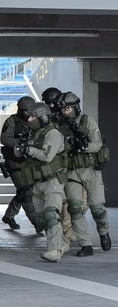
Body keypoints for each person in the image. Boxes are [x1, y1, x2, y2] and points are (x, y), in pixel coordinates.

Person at [55, 91, 111, 256]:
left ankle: (103, 231)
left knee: (97, 209)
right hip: (72, 172)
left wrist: (83, 147)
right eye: (63, 109)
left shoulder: (87, 121)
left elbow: (97, 145)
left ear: (75, 108)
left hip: (90, 170)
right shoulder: (59, 126)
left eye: (68, 109)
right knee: (74, 209)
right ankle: (85, 244)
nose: (65, 111)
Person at [16, 102, 69, 262]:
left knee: (51, 214)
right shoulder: (35, 132)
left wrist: (29, 149)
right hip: (37, 180)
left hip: (53, 180)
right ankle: (62, 242)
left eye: (33, 116)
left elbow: (46, 156)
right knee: (40, 218)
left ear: (43, 117)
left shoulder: (52, 133)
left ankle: (54, 250)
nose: (30, 119)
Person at [42, 87, 81, 242]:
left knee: (74, 204)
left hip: (72, 165)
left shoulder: (68, 119)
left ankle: (68, 232)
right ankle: (64, 234)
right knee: (61, 203)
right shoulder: (53, 121)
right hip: (59, 166)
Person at [0, 96, 39, 232]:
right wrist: (21, 144)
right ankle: (37, 222)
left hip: (31, 162)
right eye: (25, 111)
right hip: (15, 162)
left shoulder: (36, 120)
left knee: (24, 192)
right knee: (26, 192)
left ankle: (8, 216)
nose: (28, 114)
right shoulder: (12, 121)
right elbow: (4, 138)